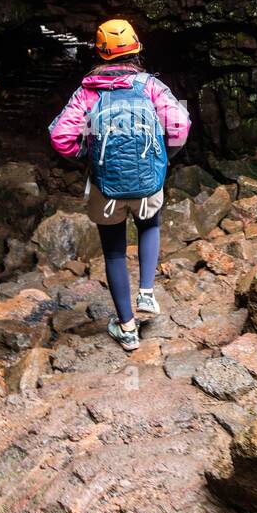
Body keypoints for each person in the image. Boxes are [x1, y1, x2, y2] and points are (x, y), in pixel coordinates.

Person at [48, 19, 191, 352]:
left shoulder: (87, 92)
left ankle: (127, 330)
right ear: (137, 49)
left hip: (105, 187)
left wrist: (87, 154)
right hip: (147, 181)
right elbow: (181, 126)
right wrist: (162, 155)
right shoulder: (151, 87)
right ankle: (147, 293)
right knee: (149, 225)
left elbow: (60, 137)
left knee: (113, 251)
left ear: (99, 53)